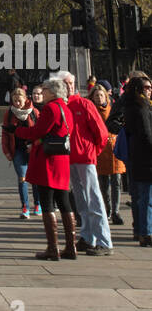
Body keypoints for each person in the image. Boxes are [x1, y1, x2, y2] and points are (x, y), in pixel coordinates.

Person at [14, 74, 76, 260]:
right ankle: (71, 246)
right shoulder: (66, 108)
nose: (42, 93)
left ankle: (53, 247)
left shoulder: (51, 108)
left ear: (52, 92)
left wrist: (18, 131)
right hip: (62, 160)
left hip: (48, 160)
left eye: (45, 90)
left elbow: (38, 131)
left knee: (48, 203)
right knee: (64, 203)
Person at [64, 72, 112, 256]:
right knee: (81, 200)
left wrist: (92, 151)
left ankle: (104, 240)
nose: (68, 86)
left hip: (85, 157)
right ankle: (87, 236)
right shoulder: (63, 106)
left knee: (94, 198)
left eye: (71, 83)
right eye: (65, 83)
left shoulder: (84, 104)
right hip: (71, 158)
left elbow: (101, 133)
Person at [122, 74, 152, 247]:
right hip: (145, 157)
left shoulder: (135, 106)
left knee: (142, 196)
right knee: (146, 197)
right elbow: (146, 134)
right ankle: (146, 232)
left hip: (138, 155)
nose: (149, 91)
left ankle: (142, 230)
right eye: (146, 88)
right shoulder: (140, 108)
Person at [2, 85, 40, 218]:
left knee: (35, 178)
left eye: (19, 100)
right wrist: (6, 150)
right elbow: (5, 133)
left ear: (25, 99)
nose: (17, 103)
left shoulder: (34, 112)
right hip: (17, 149)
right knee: (22, 178)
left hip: (32, 149)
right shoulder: (9, 113)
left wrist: (34, 144)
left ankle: (38, 203)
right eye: (15, 101)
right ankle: (25, 207)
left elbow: (40, 132)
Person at [90, 83, 125, 226]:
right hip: (100, 150)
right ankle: (108, 209)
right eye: (96, 95)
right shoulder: (91, 110)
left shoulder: (113, 109)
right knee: (103, 183)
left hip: (114, 147)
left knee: (116, 182)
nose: (99, 98)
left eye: (101, 95)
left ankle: (116, 211)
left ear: (106, 96)